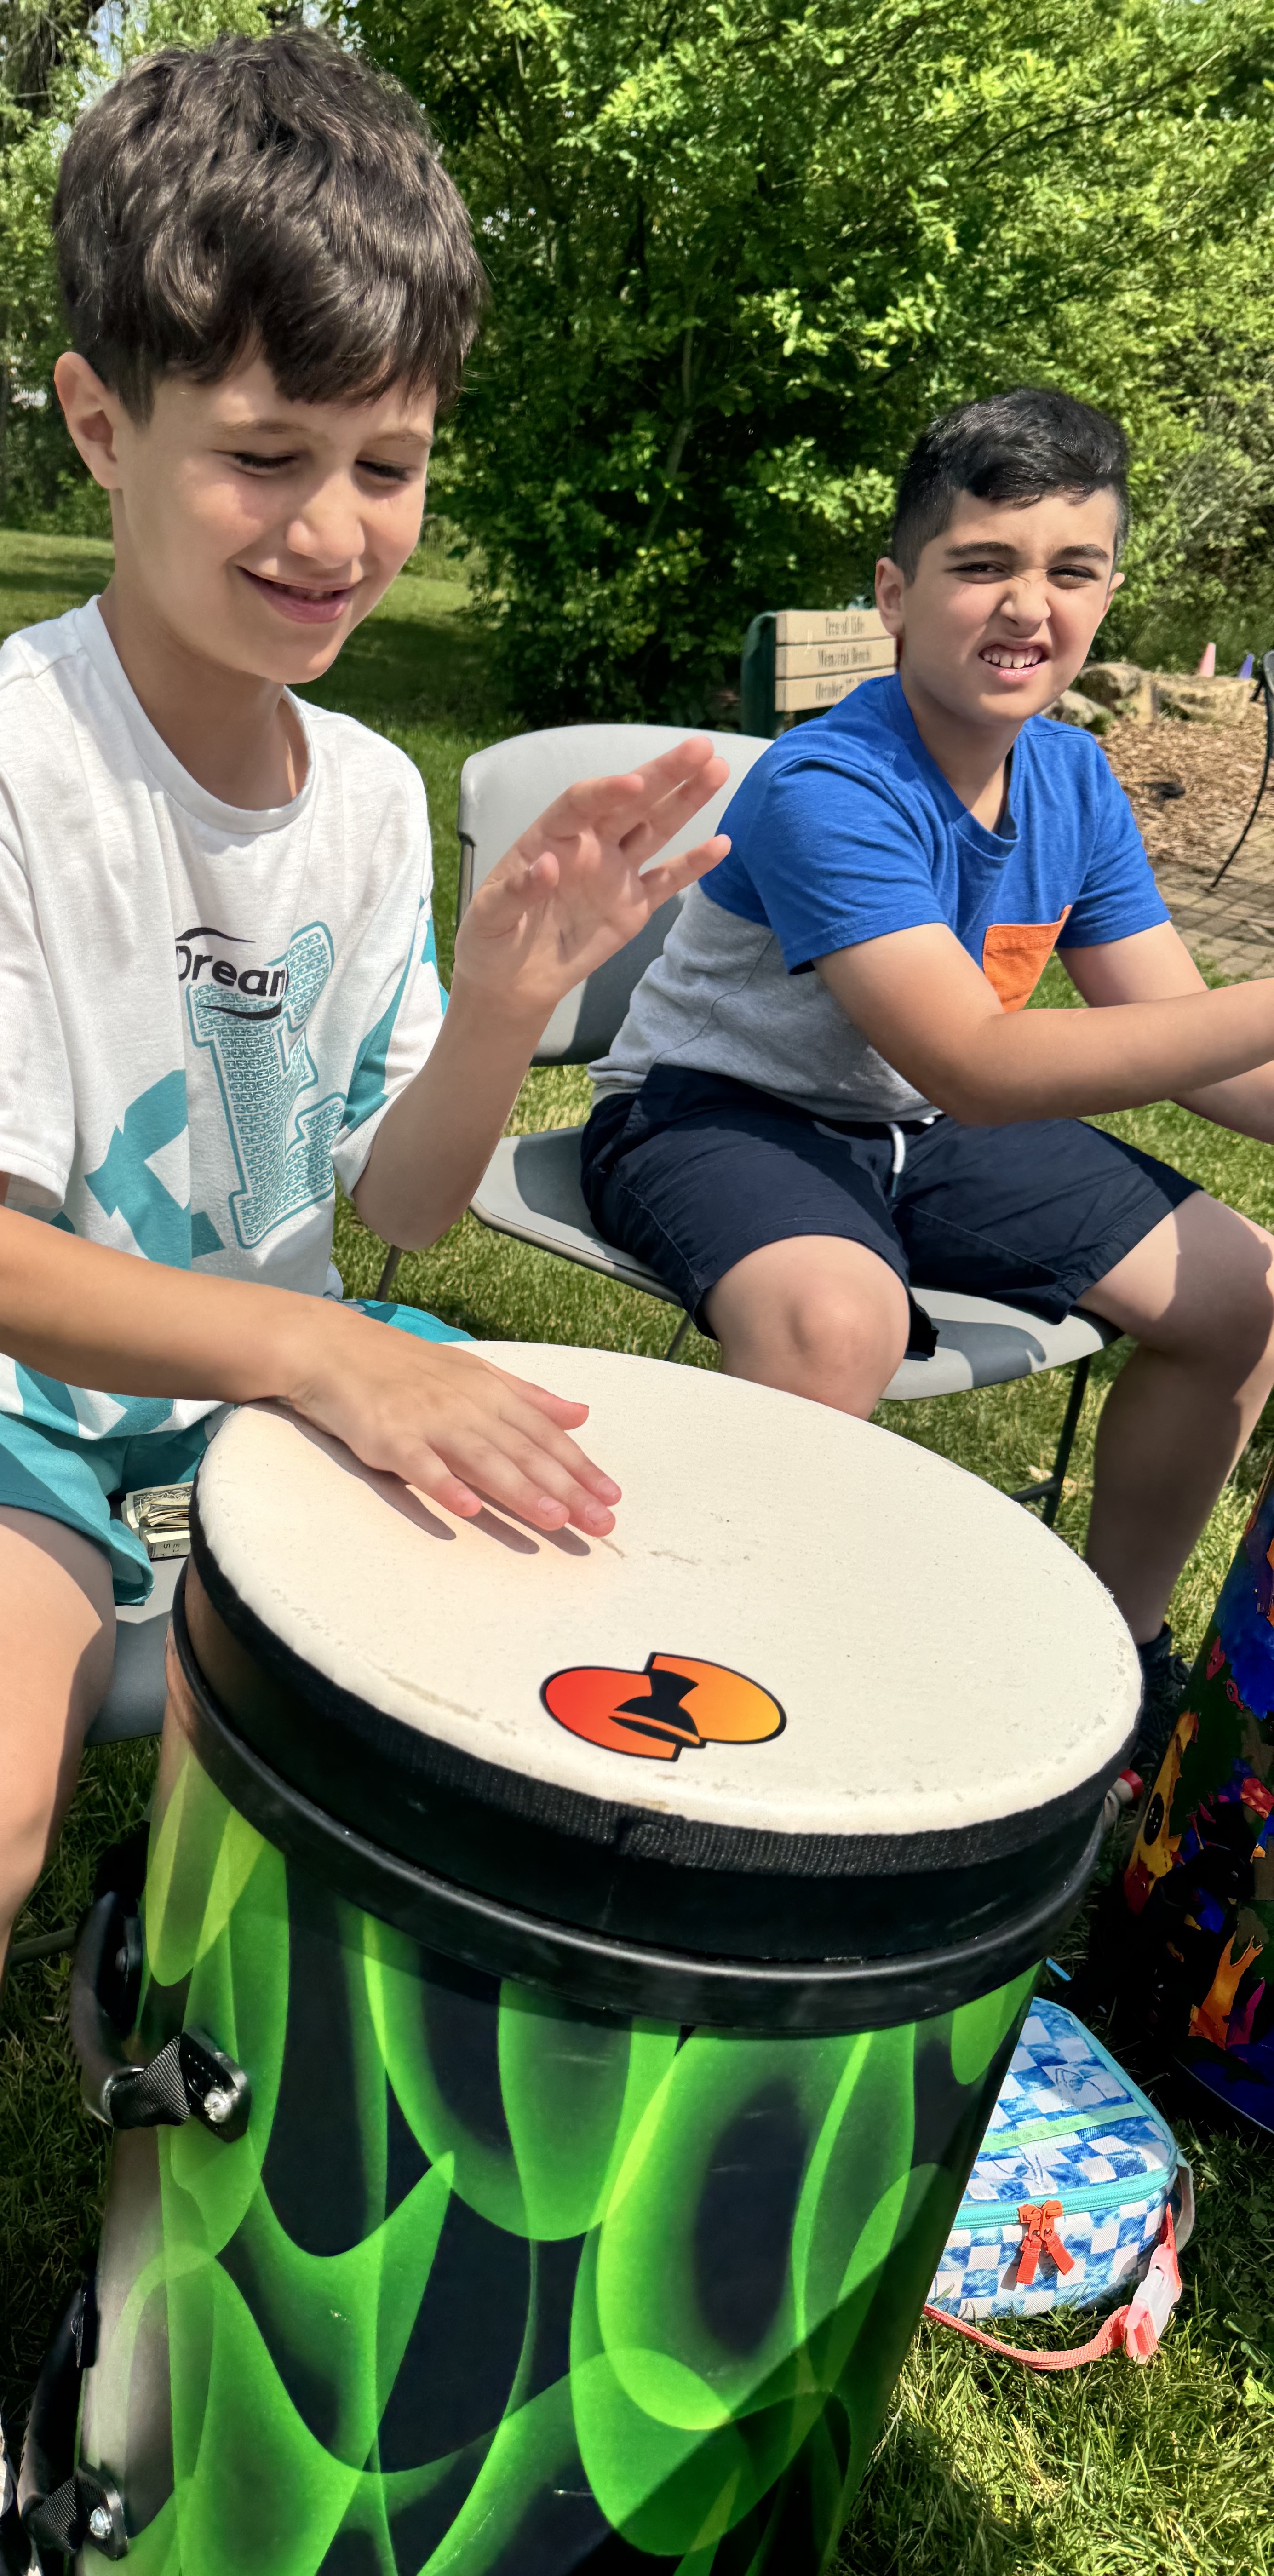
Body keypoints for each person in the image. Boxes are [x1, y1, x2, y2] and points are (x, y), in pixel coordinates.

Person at [0, 32, 729, 2576]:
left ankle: (178, 2217)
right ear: (99, 416)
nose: (328, 529)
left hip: (211, 1421)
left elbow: (381, 1224)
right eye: (261, 451)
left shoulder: (379, 800)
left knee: (335, 1772)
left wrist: (501, 1006)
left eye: (383, 465)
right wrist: (304, 1358)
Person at [580, 384, 1274, 1768]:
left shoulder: (1071, 779)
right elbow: (979, 1061)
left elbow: (1186, 1039)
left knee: (1243, 1289)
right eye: (983, 565)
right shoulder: (825, 783)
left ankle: (1110, 1668)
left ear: (1106, 594)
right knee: (839, 1319)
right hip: (711, 1113)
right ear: (895, 593)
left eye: (1069, 571)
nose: (1028, 606)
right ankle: (714, 1683)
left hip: (923, 1130)